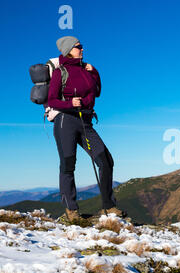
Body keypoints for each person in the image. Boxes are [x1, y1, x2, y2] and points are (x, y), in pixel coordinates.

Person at [48, 36, 124, 222]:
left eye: (81, 46)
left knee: (106, 161)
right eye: (78, 47)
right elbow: (52, 100)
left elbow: (96, 91)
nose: (82, 49)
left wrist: (95, 72)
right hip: (66, 121)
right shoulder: (60, 72)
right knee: (68, 165)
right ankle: (71, 211)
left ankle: (109, 206)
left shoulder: (86, 69)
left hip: (85, 122)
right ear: (68, 50)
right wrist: (69, 104)